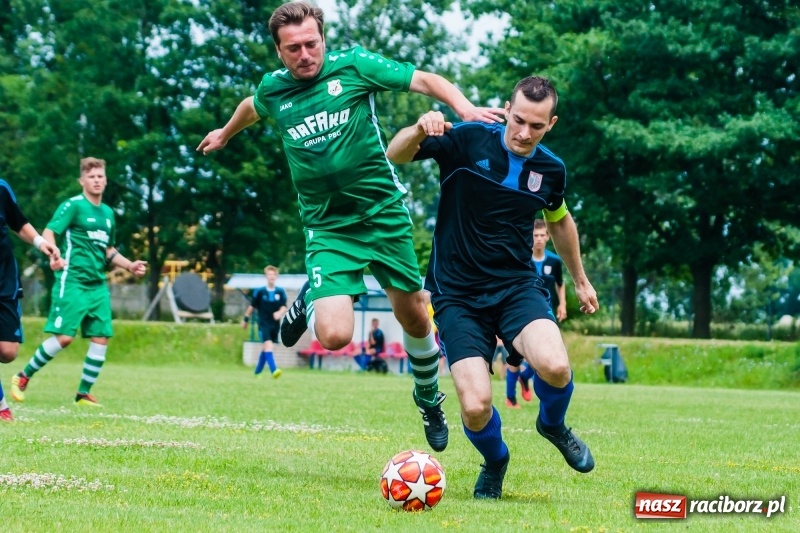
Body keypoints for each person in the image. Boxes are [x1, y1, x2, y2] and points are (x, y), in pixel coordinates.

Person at [197, 1, 503, 452]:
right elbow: (251, 106)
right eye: (293, 48)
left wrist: (464, 106)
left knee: (414, 316)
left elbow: (423, 80)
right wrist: (225, 133)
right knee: (335, 335)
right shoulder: (273, 90)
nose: (305, 54)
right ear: (279, 52)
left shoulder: (354, 66)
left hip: (383, 214)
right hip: (328, 227)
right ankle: (311, 299)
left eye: (311, 44)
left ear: (323, 38)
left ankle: (426, 398)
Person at [386, 75, 600, 499]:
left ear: (551, 124)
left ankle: (552, 425)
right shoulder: (467, 140)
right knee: (475, 405)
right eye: (518, 120)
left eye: (536, 126)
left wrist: (580, 279)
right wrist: (419, 128)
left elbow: (559, 220)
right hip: (457, 296)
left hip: (516, 287)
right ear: (506, 109)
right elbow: (396, 153)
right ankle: (496, 460)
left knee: (556, 367)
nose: (524, 133)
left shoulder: (551, 169)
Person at [11, 157, 147, 407]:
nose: (96, 180)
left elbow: (108, 250)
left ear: (106, 180)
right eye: (91, 176)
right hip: (72, 280)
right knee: (65, 338)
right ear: (82, 180)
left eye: (100, 176)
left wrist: (129, 265)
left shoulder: (108, 214)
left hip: (97, 285)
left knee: (101, 338)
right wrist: (54, 255)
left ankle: (83, 393)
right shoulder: (72, 206)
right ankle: (23, 376)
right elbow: (50, 232)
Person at [0, 179, 61, 421]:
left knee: (8, 351)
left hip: (4, 279)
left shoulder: (2, 188)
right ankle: (1, 405)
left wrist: (41, 242)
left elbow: (18, 223)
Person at [507, 219, 566, 408]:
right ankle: (510, 398)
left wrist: (562, 304)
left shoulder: (554, 261)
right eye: (535, 235)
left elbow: (560, 284)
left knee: (546, 353)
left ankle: (525, 377)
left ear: (548, 236)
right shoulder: (521, 259)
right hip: (521, 313)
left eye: (542, 235)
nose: (539, 239)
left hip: (546, 313)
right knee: (515, 356)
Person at [242, 265, 287, 378]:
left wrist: (279, 313)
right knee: (269, 346)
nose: (271, 277)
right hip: (263, 324)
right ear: (266, 276)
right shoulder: (260, 291)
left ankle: (257, 372)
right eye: (269, 274)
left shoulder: (280, 291)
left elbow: (284, 306)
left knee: (266, 348)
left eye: (273, 275)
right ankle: (274, 370)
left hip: (275, 325)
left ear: (276, 277)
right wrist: (245, 319)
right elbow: (252, 306)